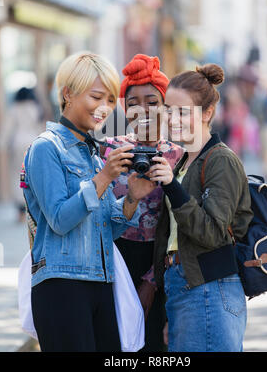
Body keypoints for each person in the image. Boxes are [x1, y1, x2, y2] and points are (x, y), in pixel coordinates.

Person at [21, 52, 156, 352]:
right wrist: (104, 178)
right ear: (67, 93)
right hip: (61, 285)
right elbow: (58, 219)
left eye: (110, 100)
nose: (105, 108)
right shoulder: (46, 148)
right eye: (97, 97)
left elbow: (110, 229)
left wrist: (132, 197)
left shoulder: (94, 154)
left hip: (101, 284)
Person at [151, 63, 254, 352]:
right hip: (183, 286)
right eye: (168, 109)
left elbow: (211, 233)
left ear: (207, 113)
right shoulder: (184, 162)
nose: (172, 118)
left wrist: (172, 186)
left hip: (208, 286)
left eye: (183, 111)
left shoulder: (221, 160)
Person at [101, 54, 184, 352]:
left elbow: (178, 227)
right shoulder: (110, 151)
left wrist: (152, 281)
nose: (144, 110)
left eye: (152, 101)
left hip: (158, 261)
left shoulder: (178, 156)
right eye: (134, 103)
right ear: (125, 109)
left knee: (152, 344)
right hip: (115, 259)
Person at [1, 87, 44, 222]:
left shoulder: (14, 109)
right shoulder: (36, 108)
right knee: (34, 175)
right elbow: (41, 128)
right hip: (34, 143)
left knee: (18, 176)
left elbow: (7, 130)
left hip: (18, 146)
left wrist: (3, 144)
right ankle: (33, 208)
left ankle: (21, 210)